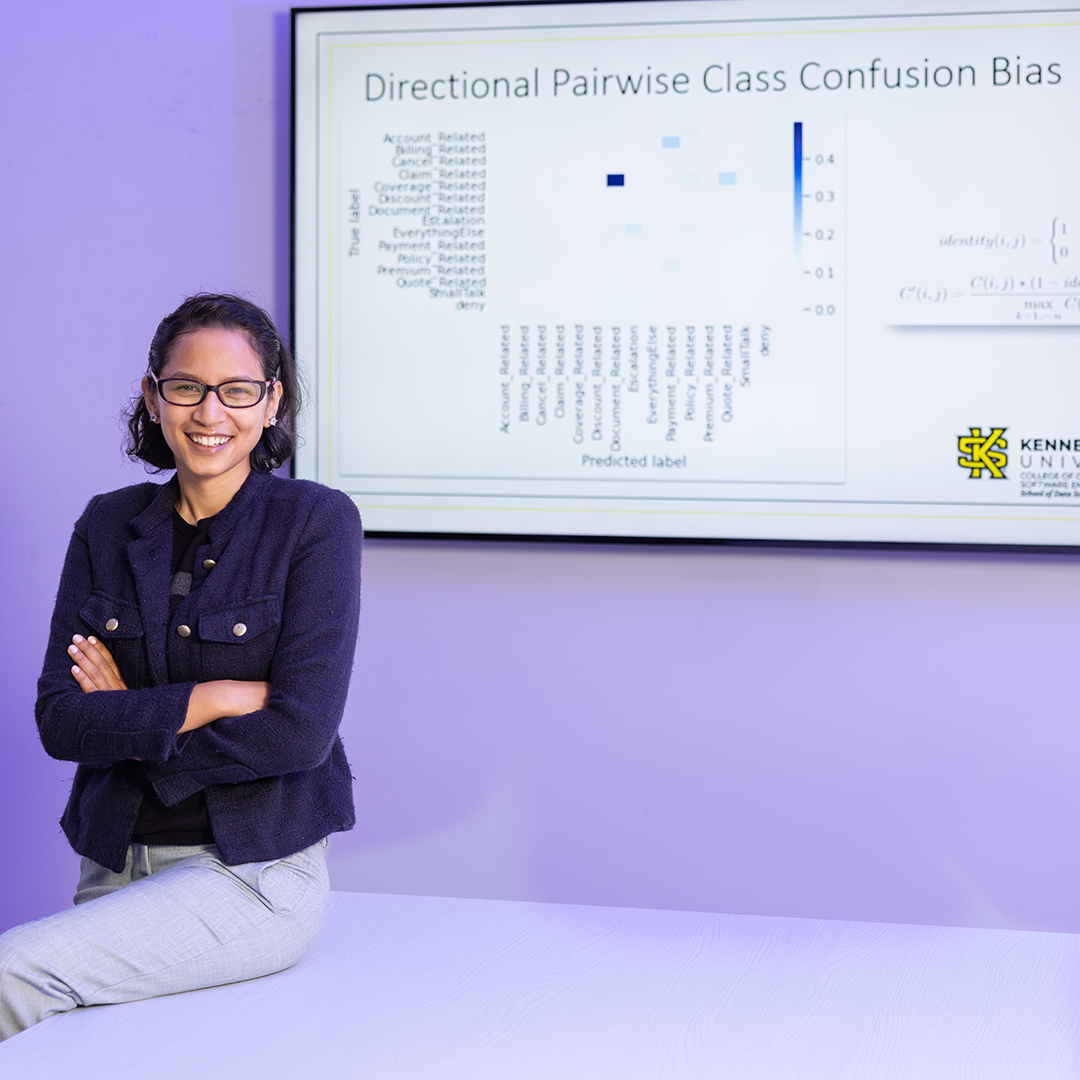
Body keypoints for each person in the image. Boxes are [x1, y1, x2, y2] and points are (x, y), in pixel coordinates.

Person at [0, 294, 362, 1040]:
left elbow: (299, 734)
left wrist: (133, 718)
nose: (209, 412)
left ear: (271, 403)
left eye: (237, 391)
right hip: (113, 867)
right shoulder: (107, 522)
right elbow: (59, 719)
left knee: (10, 972)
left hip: (252, 873)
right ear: (152, 396)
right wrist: (210, 697)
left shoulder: (316, 523)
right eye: (187, 387)